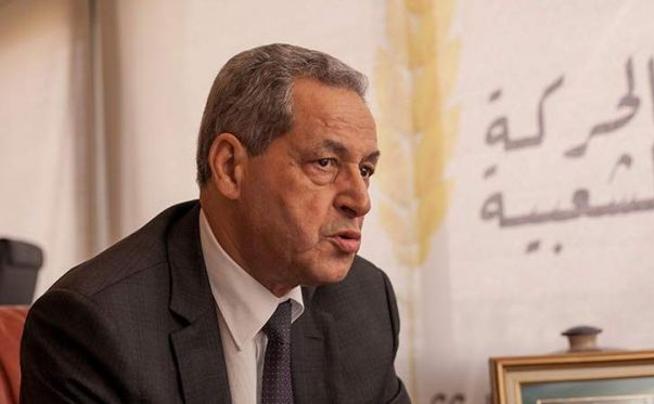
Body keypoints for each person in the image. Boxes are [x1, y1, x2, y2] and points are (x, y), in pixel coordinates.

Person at [20, 43, 410, 404]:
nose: (361, 201)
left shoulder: (364, 300)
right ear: (229, 166)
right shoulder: (92, 327)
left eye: (365, 169)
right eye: (325, 163)